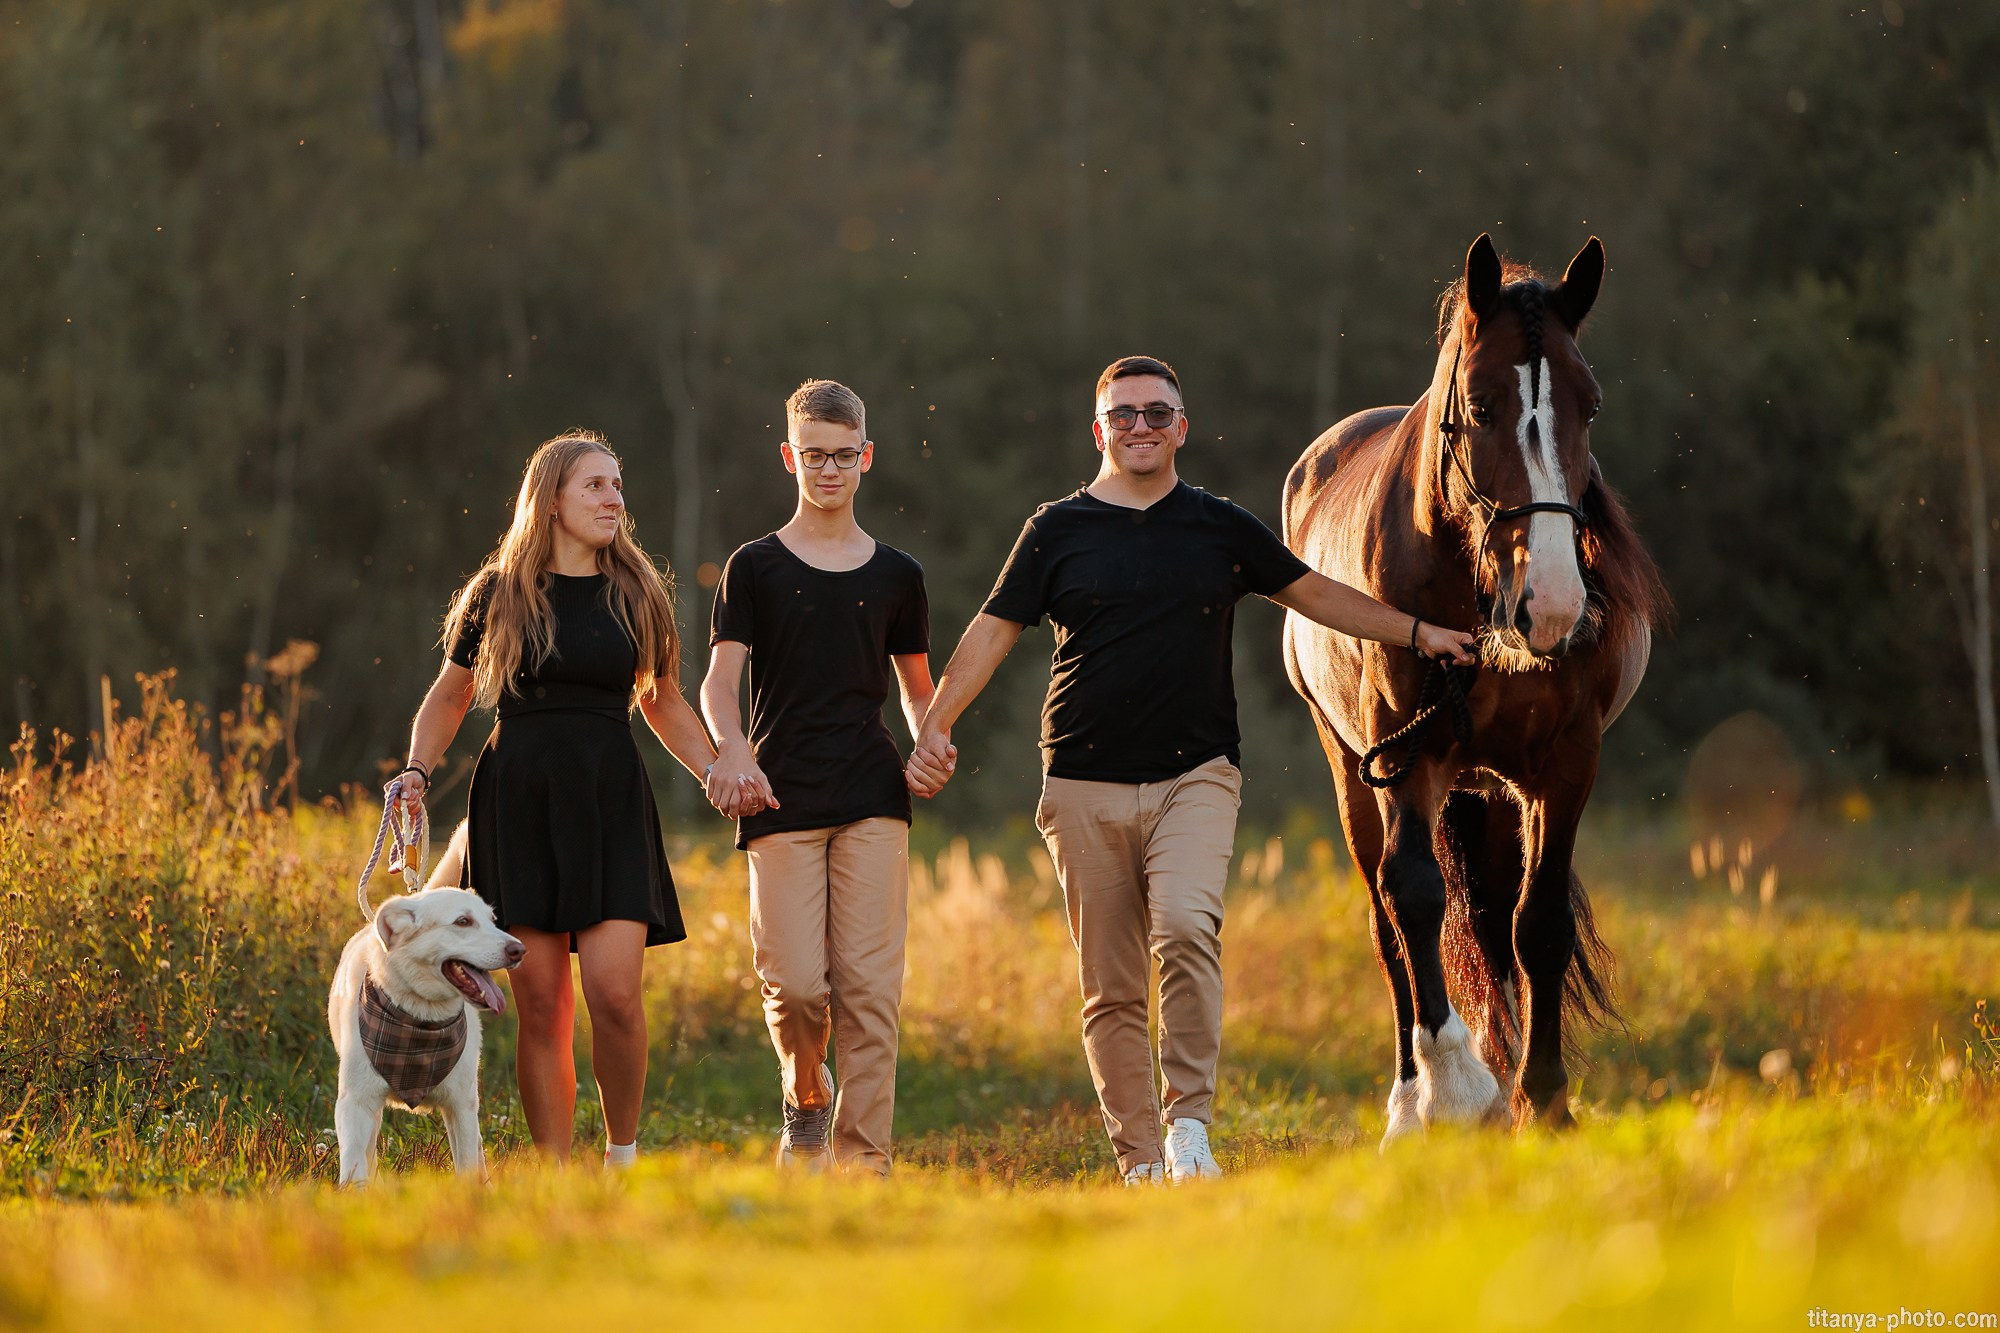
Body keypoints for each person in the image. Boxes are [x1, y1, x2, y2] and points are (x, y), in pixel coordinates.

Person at [905, 355, 1475, 1185]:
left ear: (1182, 427)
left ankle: (1189, 1131)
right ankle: (1139, 1158)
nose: (1140, 426)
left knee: (1184, 929)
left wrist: (1419, 633)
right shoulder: (1056, 529)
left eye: (1156, 412)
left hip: (1196, 774)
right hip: (1081, 780)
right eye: (1124, 414)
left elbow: (1317, 595)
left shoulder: (1220, 526)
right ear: (1099, 431)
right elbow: (992, 630)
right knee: (1110, 985)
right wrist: (935, 723)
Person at [396, 430, 722, 1169]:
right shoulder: (497, 593)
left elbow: (663, 701)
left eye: (617, 484)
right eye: (595, 486)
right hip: (518, 803)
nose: (614, 499)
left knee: (615, 995)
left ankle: (621, 1156)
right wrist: (416, 770)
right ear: (550, 501)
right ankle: (555, 1177)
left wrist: (715, 772)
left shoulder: (637, 590)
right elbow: (450, 697)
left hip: (610, 799)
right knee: (541, 1003)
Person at [701, 379, 933, 1176]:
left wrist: (930, 741)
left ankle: (865, 1162)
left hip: (873, 792)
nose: (828, 470)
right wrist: (732, 748)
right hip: (779, 792)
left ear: (866, 457)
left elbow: (916, 690)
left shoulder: (898, 573)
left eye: (842, 455)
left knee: (868, 988)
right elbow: (718, 684)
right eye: (813, 456)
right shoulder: (753, 566)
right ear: (788, 457)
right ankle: (806, 1097)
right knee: (797, 986)